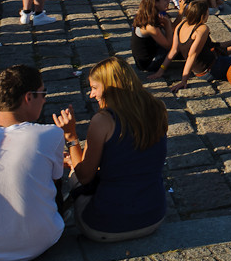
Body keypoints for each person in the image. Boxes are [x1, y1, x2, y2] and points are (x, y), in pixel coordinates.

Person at [56, 58, 168, 242]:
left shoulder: (103, 121)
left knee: (74, 177)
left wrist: (71, 137)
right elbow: (130, 159)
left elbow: (85, 176)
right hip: (154, 218)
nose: (91, 95)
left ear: (110, 87)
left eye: (94, 88)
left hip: (105, 227)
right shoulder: (158, 108)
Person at [0, 65, 66, 261]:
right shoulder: (50, 134)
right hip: (40, 242)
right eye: (43, 93)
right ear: (28, 97)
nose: (45, 99)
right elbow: (56, 180)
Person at [130, 0, 176, 72]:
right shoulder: (149, 25)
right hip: (148, 64)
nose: (168, 2)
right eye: (165, 0)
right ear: (156, 3)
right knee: (178, 45)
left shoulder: (150, 15)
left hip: (153, 52)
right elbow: (168, 45)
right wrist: (167, 25)